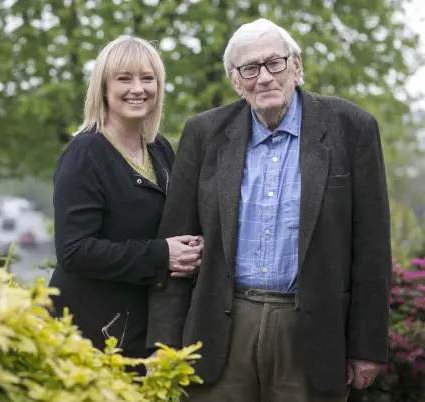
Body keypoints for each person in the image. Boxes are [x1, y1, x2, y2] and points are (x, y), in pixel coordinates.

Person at [146, 18, 391, 402]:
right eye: (249, 68)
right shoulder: (203, 133)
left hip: (312, 331)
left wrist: (366, 346)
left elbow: (373, 248)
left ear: (296, 65)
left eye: (274, 63)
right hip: (220, 328)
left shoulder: (352, 128)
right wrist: (163, 341)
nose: (264, 77)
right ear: (235, 80)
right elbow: (178, 244)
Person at [49, 35, 203, 367]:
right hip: (92, 335)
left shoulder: (159, 148)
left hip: (141, 328)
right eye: (124, 78)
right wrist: (162, 255)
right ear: (103, 88)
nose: (138, 88)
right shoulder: (85, 153)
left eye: (148, 78)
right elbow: (74, 251)